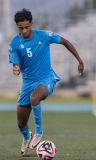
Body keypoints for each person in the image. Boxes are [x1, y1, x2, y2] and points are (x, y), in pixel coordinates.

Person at [8, 8, 84, 157]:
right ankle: (26, 137)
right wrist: (16, 68)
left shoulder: (43, 36)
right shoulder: (14, 44)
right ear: (17, 27)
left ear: (31, 24)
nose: (24, 31)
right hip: (27, 83)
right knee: (21, 123)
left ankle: (39, 132)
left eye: (27, 27)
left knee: (35, 98)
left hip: (46, 78)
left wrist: (80, 61)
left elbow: (65, 41)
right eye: (20, 28)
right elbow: (15, 63)